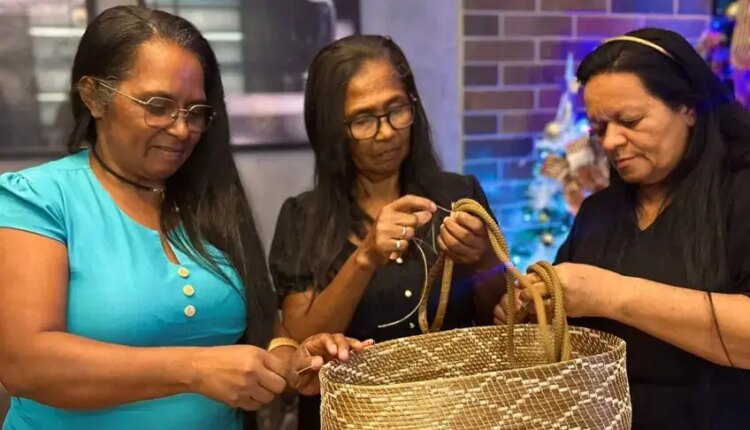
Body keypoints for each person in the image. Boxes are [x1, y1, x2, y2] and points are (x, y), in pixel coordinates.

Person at [0, 7, 369, 430]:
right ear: (94, 96)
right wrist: (194, 369)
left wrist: (294, 362)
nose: (181, 129)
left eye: (195, 112)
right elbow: (24, 364)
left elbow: (262, 333)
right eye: (158, 106)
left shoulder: (208, 202)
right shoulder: (40, 199)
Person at [494, 28, 750, 429]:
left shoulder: (739, 193)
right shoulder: (599, 211)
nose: (611, 142)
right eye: (599, 128)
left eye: (630, 121)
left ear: (688, 108)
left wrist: (609, 294)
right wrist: (532, 308)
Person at [268, 35, 506, 429]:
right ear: (331, 129)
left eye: (397, 110)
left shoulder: (459, 194)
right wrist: (365, 257)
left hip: (456, 414)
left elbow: (503, 319)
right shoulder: (303, 217)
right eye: (363, 120)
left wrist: (484, 259)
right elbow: (301, 348)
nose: (386, 132)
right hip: (350, 418)